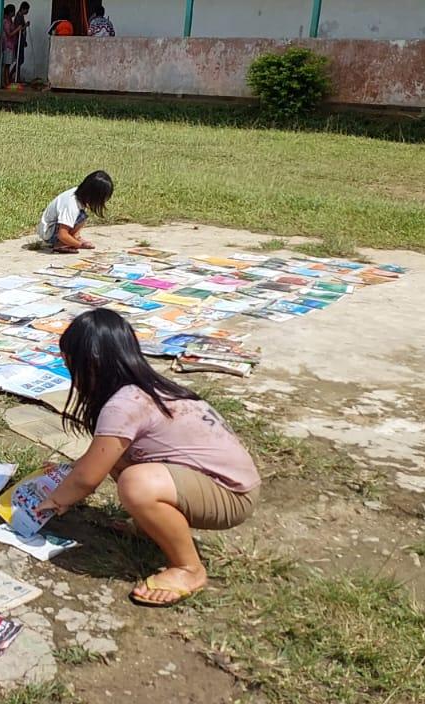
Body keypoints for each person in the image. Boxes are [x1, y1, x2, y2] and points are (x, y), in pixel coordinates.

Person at [33, 310, 260, 607]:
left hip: (231, 496)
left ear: (91, 363)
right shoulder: (145, 389)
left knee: (136, 483)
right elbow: (98, 460)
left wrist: (54, 499)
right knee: (114, 458)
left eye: (69, 363)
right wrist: (69, 475)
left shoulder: (124, 404)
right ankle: (150, 526)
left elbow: (87, 479)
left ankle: (188, 568)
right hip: (220, 483)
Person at [38, 170, 113, 253]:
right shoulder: (71, 204)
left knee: (82, 215)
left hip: (52, 230)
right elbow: (62, 235)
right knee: (81, 216)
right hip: (49, 234)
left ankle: (73, 238)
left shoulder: (79, 194)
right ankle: (61, 244)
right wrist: (80, 245)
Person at [0, 5, 19, 85]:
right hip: (7, 46)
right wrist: (17, 29)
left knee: (8, 64)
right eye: (13, 11)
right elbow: (9, 34)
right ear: (10, 12)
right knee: (6, 65)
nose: (14, 13)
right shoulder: (6, 22)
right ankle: (5, 82)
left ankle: (7, 81)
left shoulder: (10, 20)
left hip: (11, 45)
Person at [13, 2, 30, 82]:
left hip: (21, 40)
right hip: (18, 40)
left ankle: (17, 77)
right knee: (20, 60)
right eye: (27, 10)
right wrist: (25, 26)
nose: (27, 11)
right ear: (23, 9)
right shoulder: (18, 17)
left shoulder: (21, 16)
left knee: (20, 60)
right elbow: (19, 29)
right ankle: (12, 75)